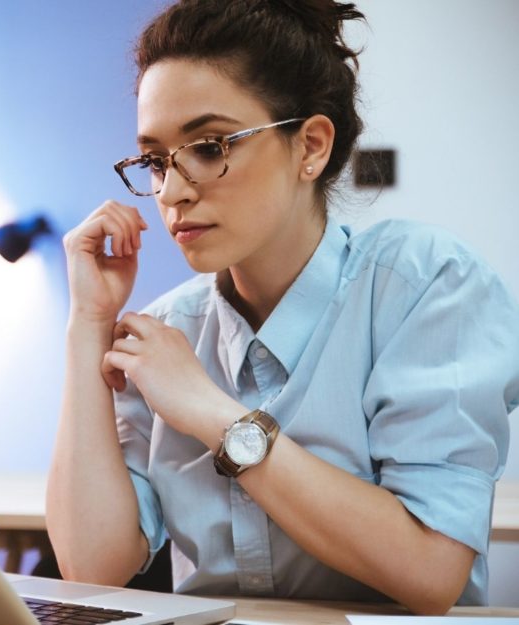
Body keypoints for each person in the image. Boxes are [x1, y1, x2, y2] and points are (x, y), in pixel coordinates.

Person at [45, 0, 519, 615]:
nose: (172, 190)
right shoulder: (167, 332)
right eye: (157, 159)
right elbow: (92, 568)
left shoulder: (426, 283)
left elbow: (431, 572)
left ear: (311, 147)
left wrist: (211, 412)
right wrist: (87, 327)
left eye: (209, 147)